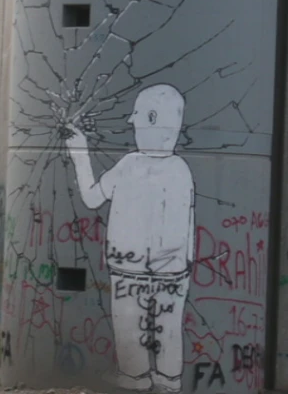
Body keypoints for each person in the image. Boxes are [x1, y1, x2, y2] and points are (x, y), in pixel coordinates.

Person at [64, 83, 195, 393]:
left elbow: (93, 198)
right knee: (169, 330)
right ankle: (168, 382)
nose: (131, 124)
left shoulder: (130, 166)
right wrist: (184, 265)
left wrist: (80, 155)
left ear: (151, 119)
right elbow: (186, 226)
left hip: (129, 270)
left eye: (136, 118)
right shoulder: (182, 170)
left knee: (129, 325)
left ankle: (135, 379)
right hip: (173, 272)